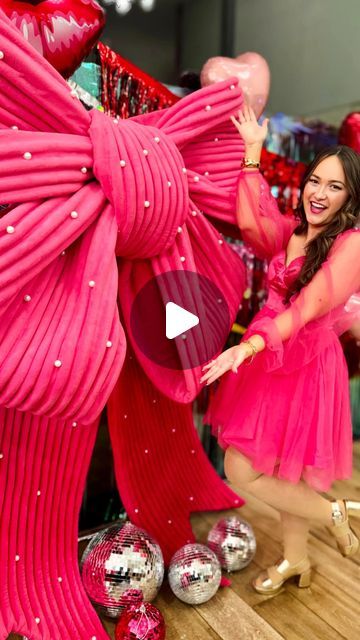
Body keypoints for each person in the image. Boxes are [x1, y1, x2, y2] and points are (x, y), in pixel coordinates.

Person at [201, 104, 360, 594]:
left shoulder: (351, 244)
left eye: (335, 187)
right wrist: (252, 152)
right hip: (268, 356)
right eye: (316, 181)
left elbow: (307, 307)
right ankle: (297, 560)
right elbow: (254, 221)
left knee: (242, 467)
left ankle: (332, 511)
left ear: (351, 198)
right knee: (274, 467)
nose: (320, 193)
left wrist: (245, 349)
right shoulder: (292, 233)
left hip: (305, 360)